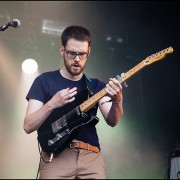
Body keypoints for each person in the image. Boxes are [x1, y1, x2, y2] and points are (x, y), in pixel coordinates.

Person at [23, 25, 123, 179]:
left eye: (82, 54)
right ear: (62, 50)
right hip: (56, 157)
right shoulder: (44, 81)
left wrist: (118, 100)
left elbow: (113, 120)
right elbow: (28, 125)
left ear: (88, 52)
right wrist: (52, 104)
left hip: (91, 157)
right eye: (72, 53)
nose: (77, 59)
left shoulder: (96, 86)